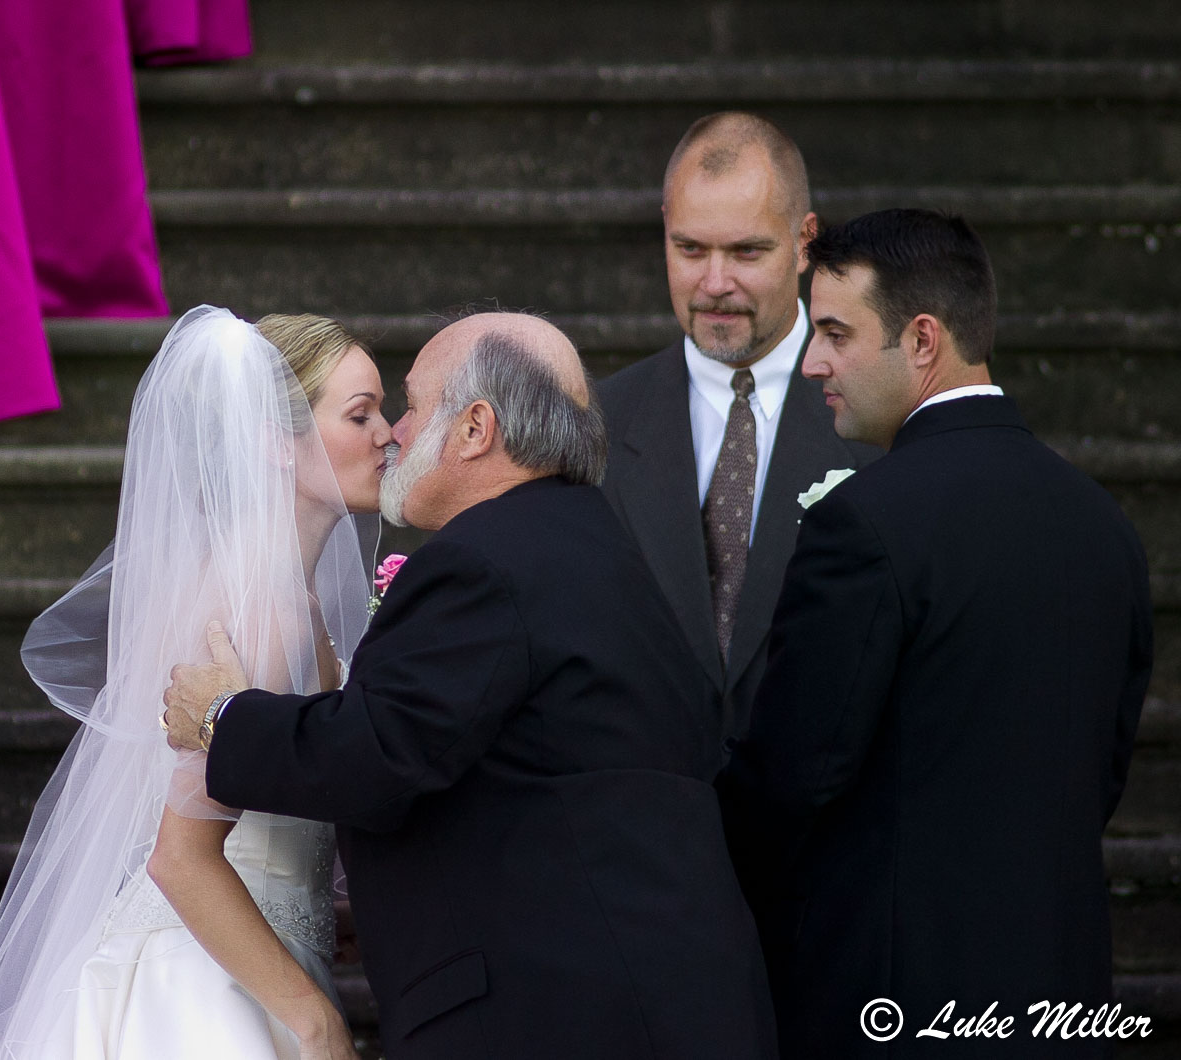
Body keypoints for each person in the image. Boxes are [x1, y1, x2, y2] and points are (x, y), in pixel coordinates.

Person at [163, 312, 778, 1060]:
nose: (396, 432)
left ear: (475, 429)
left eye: (412, 405)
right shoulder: (590, 547)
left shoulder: (486, 562)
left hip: (568, 1018)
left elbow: (377, 754)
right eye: (368, 413)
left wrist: (223, 717)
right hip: (654, 998)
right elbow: (515, 781)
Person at [720, 210, 1153, 1057]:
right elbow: (1100, 773)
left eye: (835, 334)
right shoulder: (1104, 525)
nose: (811, 363)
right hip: (1061, 999)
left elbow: (794, 778)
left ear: (923, 339)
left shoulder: (864, 524)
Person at [0, 308, 392, 1059]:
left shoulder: (277, 594)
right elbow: (180, 857)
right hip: (205, 989)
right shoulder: (265, 611)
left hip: (240, 950)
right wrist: (315, 1021)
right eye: (361, 414)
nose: (389, 435)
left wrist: (320, 911)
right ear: (277, 442)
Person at [598, 111, 878, 749]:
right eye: (690, 249)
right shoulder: (598, 424)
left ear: (805, 243)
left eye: (747, 251)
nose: (715, 283)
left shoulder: (883, 423)